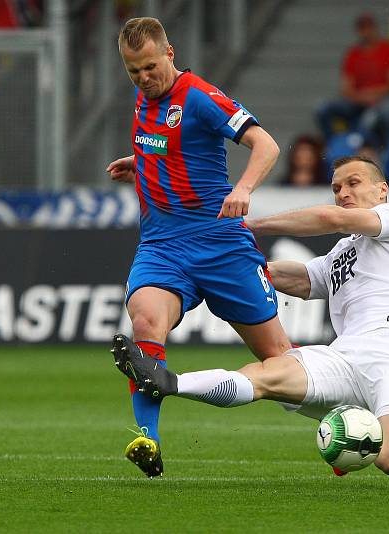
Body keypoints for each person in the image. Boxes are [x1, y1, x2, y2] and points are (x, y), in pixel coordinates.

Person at [113, 155, 389, 490]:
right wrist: (224, 268)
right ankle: (168, 382)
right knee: (272, 374)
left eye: (353, 183)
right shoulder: (342, 252)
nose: (343, 193)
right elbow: (294, 278)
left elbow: (330, 218)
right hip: (344, 357)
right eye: (336, 187)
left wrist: (249, 226)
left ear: (382, 190)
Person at [105, 17, 290, 478]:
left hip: (220, 244)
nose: (144, 79)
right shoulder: (143, 99)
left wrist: (243, 188)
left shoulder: (200, 97)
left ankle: (342, 417)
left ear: (170, 54)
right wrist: (143, 161)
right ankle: (146, 438)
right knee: (146, 320)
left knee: (279, 361)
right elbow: (170, 144)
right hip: (162, 247)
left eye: (150, 67)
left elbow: (265, 145)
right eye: (133, 72)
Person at [315, 13, 389, 147]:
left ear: (375, 28)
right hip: (357, 101)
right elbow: (346, 88)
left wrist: (372, 96)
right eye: (362, 28)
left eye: (369, 28)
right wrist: (364, 98)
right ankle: (333, 145)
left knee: (385, 111)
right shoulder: (352, 54)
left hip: (381, 100)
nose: (366, 32)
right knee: (323, 108)